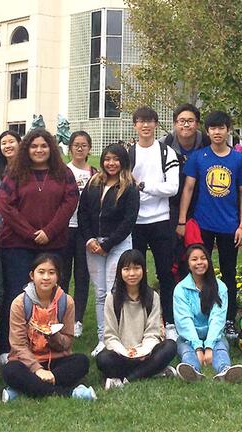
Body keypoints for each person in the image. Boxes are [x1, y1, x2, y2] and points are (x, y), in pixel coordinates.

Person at [0, 128, 79, 363]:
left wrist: (49, 231)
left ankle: (54, 345)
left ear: (51, 148)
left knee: (52, 295)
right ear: (27, 149)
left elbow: (70, 201)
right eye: (34, 146)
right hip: (17, 245)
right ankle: (9, 347)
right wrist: (31, 233)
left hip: (54, 243)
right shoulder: (14, 173)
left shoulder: (63, 173)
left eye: (43, 146)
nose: (39, 150)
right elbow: (5, 205)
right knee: (16, 295)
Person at [176, 111, 242, 338]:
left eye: (221, 128)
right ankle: (199, 316)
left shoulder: (238, 160)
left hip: (230, 226)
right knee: (199, 271)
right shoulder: (199, 157)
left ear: (228, 130)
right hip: (203, 225)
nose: (217, 132)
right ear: (206, 131)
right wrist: (181, 220)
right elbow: (188, 188)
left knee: (229, 273)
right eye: (213, 128)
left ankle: (228, 319)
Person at [1, 254, 95, 401]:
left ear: (58, 276)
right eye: (41, 272)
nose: (46, 277)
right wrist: (37, 369)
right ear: (32, 275)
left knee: (82, 361)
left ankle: (24, 390)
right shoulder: (20, 303)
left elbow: (67, 343)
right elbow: (18, 345)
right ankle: (70, 393)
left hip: (56, 361)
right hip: (27, 362)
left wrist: (54, 336)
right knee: (10, 370)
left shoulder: (66, 302)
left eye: (51, 273)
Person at [78, 144, 139, 356]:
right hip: (93, 245)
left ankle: (118, 336)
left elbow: (129, 220)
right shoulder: (93, 183)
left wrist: (108, 244)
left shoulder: (130, 186)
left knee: (116, 291)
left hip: (118, 244)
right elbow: (83, 212)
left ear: (123, 161)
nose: (111, 163)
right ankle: (103, 338)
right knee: (101, 293)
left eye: (115, 159)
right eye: (107, 159)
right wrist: (90, 240)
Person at [129, 107, 179, 336]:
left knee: (165, 273)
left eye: (149, 121)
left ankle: (169, 322)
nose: (145, 126)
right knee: (135, 275)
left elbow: (173, 187)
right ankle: (140, 321)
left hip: (161, 220)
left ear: (156, 124)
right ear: (135, 125)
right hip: (134, 222)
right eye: (140, 121)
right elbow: (122, 185)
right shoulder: (128, 153)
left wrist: (143, 187)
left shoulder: (166, 152)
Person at [96, 250, 178, 389]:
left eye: (136, 268)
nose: (132, 274)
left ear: (143, 270)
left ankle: (128, 378)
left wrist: (143, 352)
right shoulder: (112, 298)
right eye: (126, 269)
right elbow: (110, 336)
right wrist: (126, 353)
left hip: (147, 352)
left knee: (170, 346)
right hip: (121, 354)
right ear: (120, 272)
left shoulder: (152, 296)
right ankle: (152, 371)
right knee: (103, 359)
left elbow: (153, 332)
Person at [173, 244, 242, 383]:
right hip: (188, 337)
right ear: (188, 264)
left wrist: (209, 346)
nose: (199, 262)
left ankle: (225, 371)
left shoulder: (220, 287)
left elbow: (217, 319)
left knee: (220, 349)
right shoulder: (180, 289)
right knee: (187, 352)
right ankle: (191, 371)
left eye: (203, 258)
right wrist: (198, 348)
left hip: (214, 335)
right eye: (194, 259)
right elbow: (184, 322)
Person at [61, 131, 97, 338]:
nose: (80, 148)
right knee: (63, 275)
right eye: (76, 145)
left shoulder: (95, 173)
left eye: (84, 145)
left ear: (89, 148)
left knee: (82, 275)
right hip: (65, 228)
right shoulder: (63, 171)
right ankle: (62, 316)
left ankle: (77, 319)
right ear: (70, 148)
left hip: (85, 230)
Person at [0, 130, 21, 216]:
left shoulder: (30, 169)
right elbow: (0, 204)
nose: (8, 146)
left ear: (20, 144)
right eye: (4, 143)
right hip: (5, 221)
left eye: (11, 142)